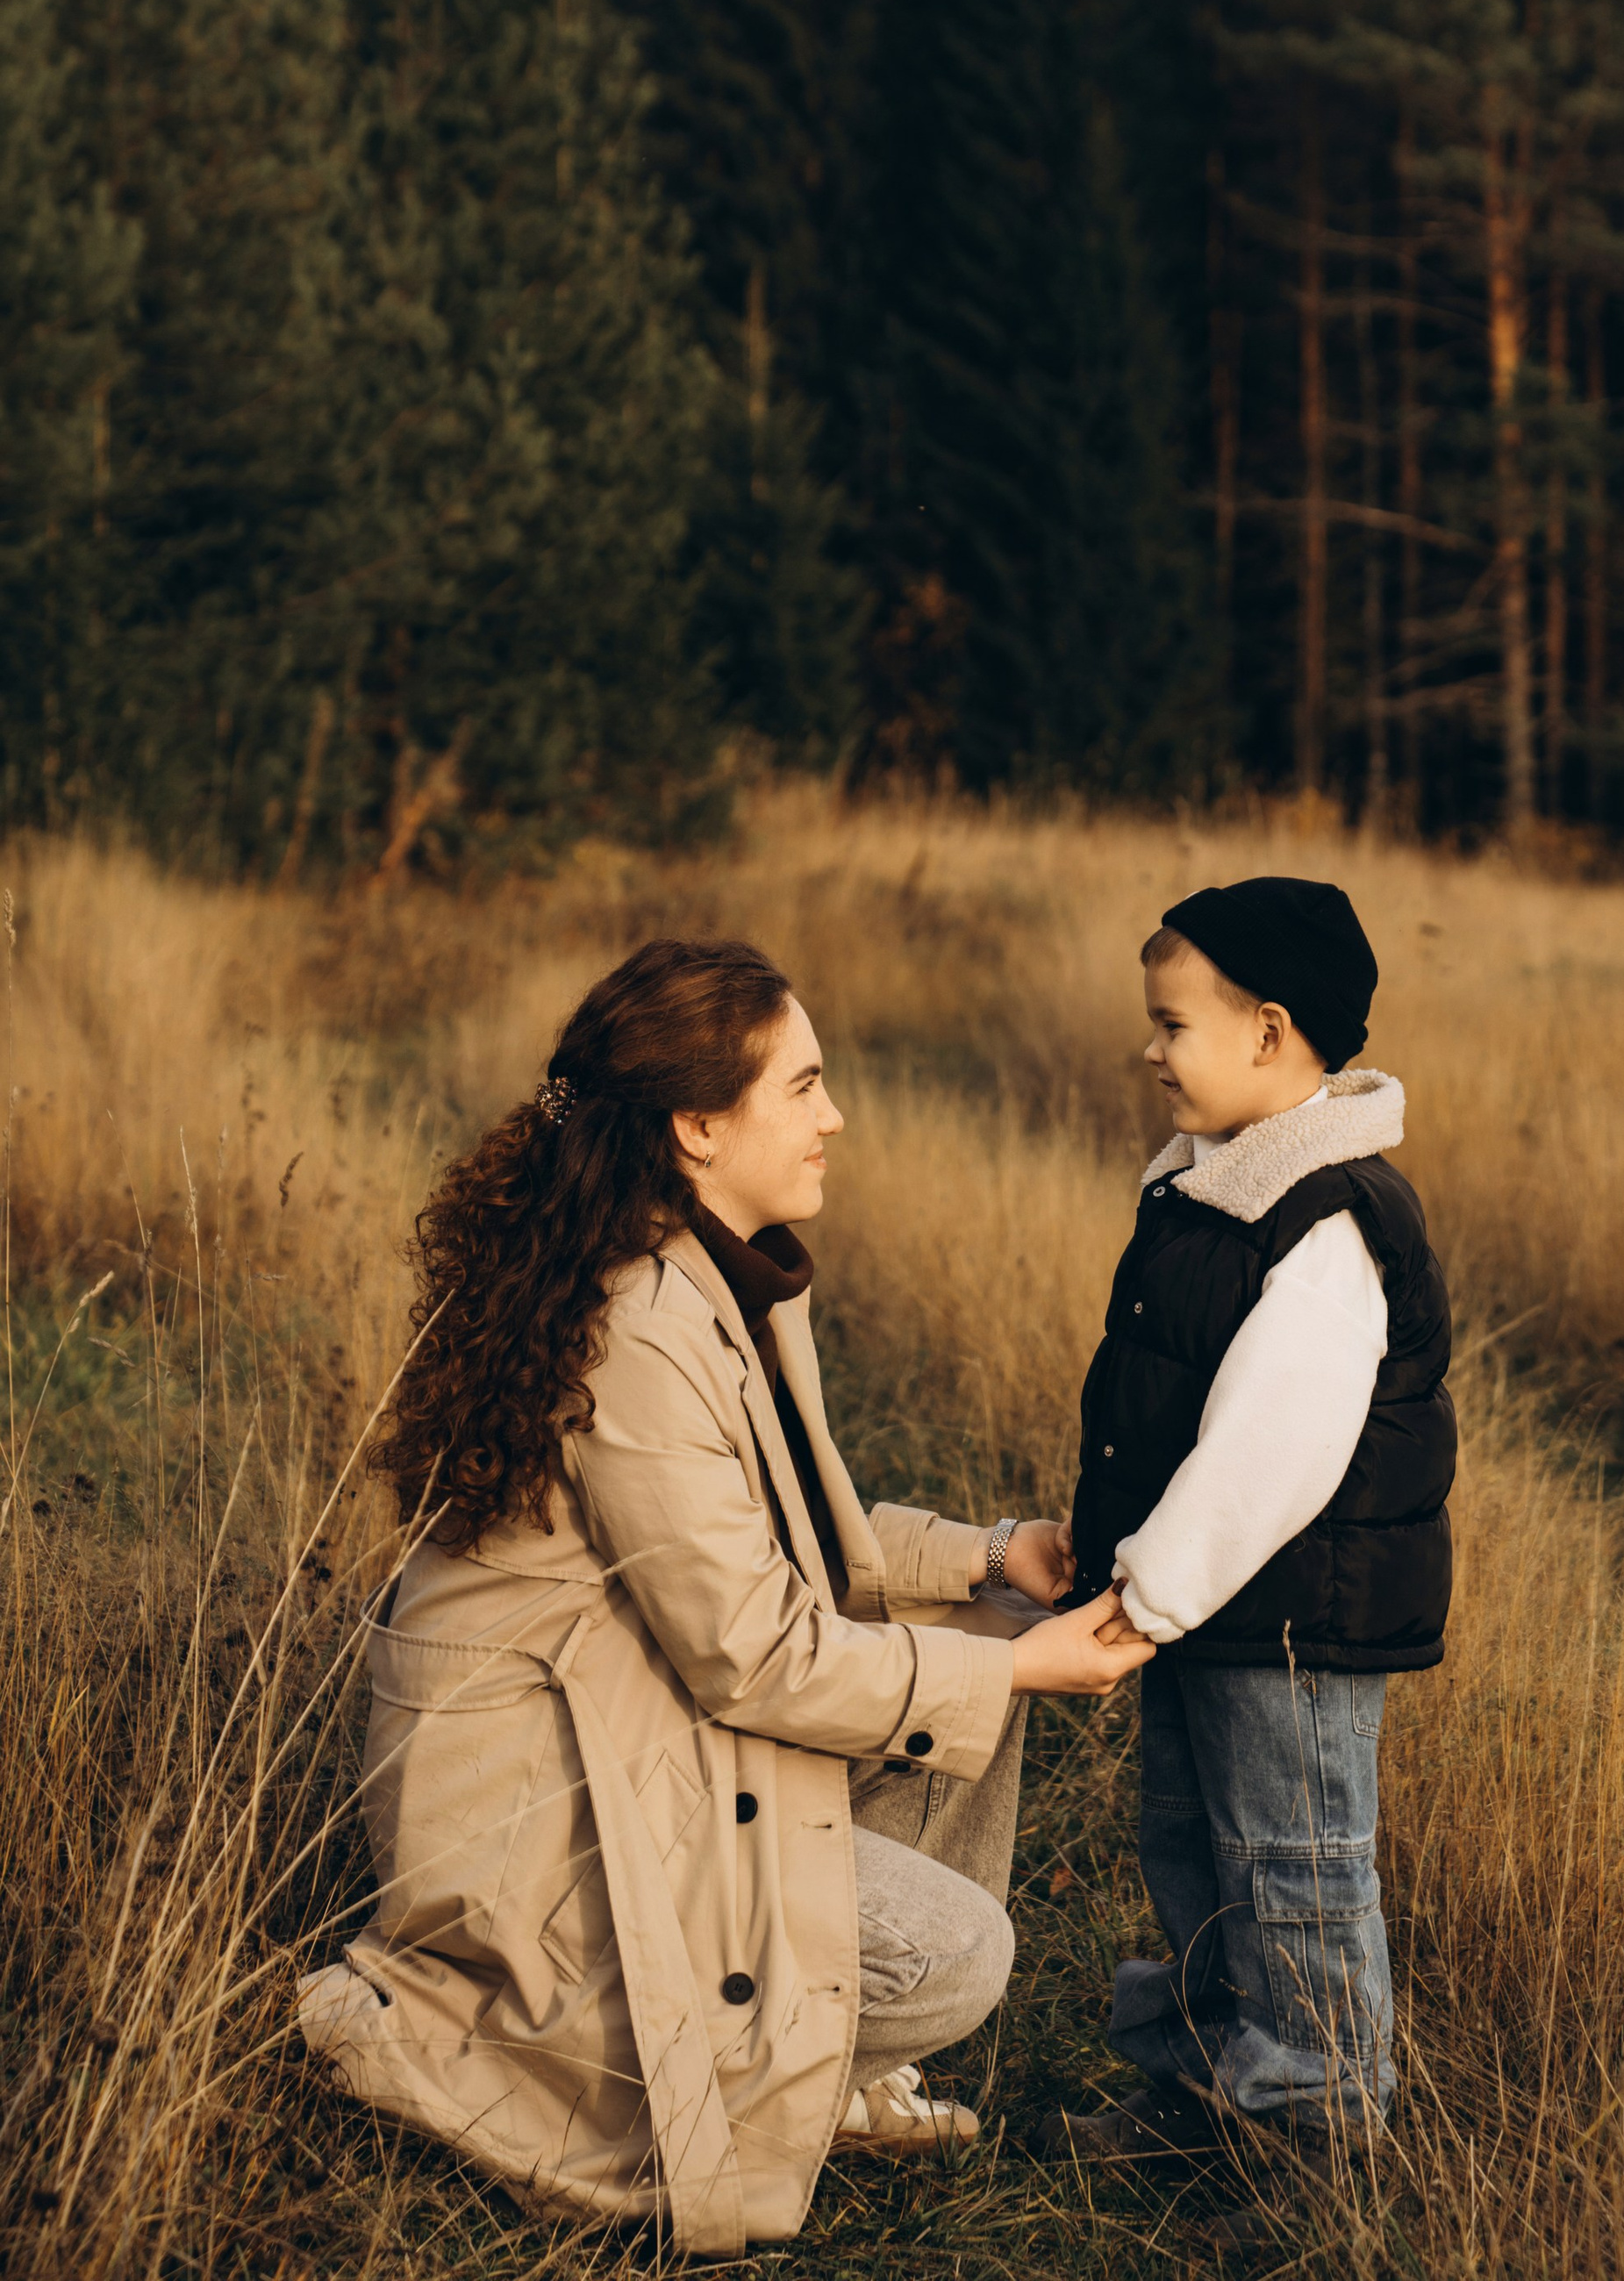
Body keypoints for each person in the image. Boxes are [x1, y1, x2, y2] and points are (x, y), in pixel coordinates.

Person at [297, 934, 1150, 2254]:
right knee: (960, 1955)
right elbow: (753, 1654)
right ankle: (646, 2061)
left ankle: (831, 2071)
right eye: (803, 1086)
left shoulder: (709, 1271)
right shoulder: (636, 1320)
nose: (835, 1116)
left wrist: (991, 1559)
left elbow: (778, 1544)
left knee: (992, 1634)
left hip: (648, 1744)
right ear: (698, 1125)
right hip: (548, 1842)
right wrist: (1026, 1667)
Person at [1041, 875, 1454, 2187]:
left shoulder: (1326, 1221)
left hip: (1289, 1624)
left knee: (1297, 1875)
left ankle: (1316, 2141)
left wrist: (1147, 1593)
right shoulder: (1217, 1190)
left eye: (1172, 1025)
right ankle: (1209, 2095)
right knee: (1201, 1852)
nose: (1150, 1050)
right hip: (1211, 1610)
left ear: (1270, 1033)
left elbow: (1271, 1451)